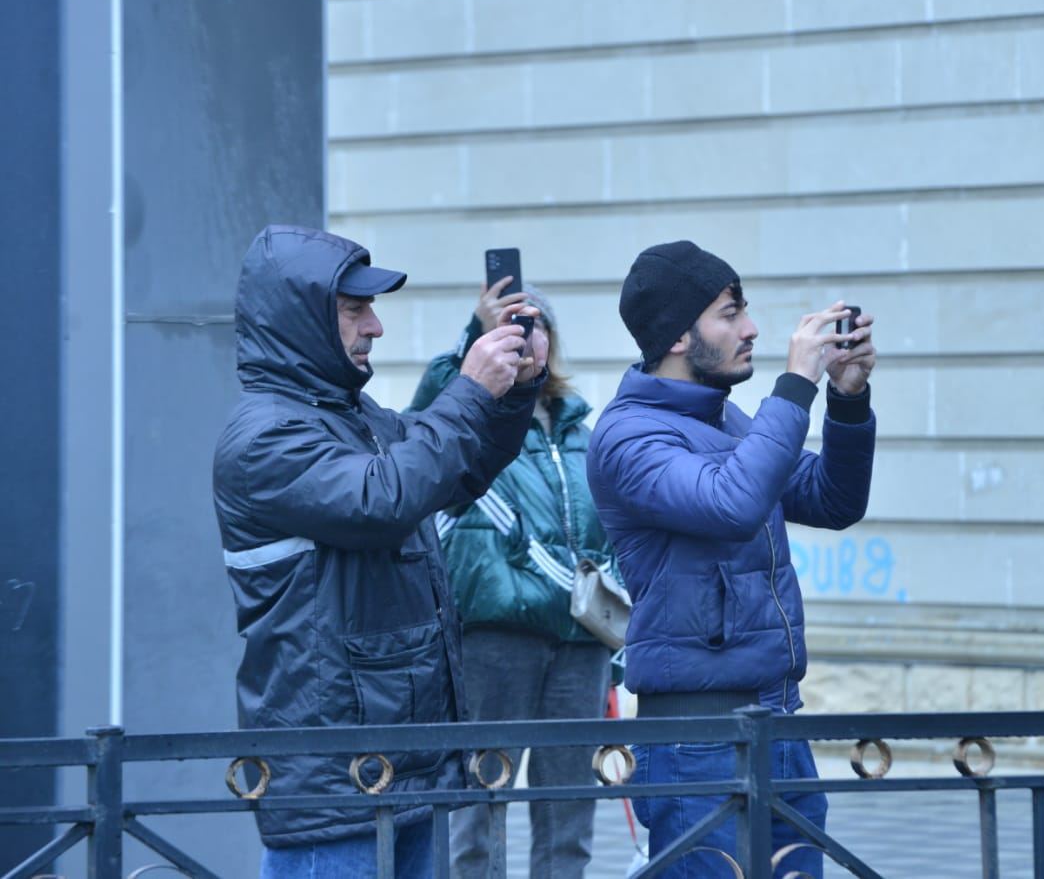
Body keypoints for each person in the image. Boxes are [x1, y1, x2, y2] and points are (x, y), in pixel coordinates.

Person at [212, 225, 546, 878]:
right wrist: (470, 388)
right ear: (300, 319)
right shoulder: (263, 438)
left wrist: (514, 393)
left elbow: (456, 471)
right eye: (354, 309)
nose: (376, 326)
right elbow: (383, 498)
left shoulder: (353, 417)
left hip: (398, 762)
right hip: (334, 782)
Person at [586, 240, 877, 878]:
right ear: (678, 336)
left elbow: (832, 499)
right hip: (696, 740)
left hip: (777, 720)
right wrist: (796, 385)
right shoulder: (628, 435)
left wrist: (848, 400)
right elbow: (731, 504)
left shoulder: (731, 422)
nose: (751, 329)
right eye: (730, 313)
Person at [407, 276, 619, 879]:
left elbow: (611, 532)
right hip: (497, 634)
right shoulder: (475, 418)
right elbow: (423, 424)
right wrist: (473, 337)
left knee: (569, 806)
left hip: (580, 641)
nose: (525, 335)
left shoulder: (583, 433)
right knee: (479, 801)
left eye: (535, 324)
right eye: (511, 324)